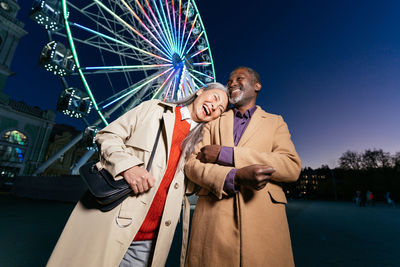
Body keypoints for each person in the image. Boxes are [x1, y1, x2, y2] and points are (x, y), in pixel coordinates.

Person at [47, 82, 229, 267]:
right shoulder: (153, 110)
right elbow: (108, 135)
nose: (214, 106)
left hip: (150, 241)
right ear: (200, 91)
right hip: (113, 223)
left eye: (220, 109)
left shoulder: (202, 145)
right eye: (214, 97)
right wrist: (128, 167)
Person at [184, 67, 302, 267]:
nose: (231, 83)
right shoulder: (213, 121)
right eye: (229, 81)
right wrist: (233, 176)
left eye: (239, 78)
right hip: (214, 220)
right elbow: (191, 165)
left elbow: (291, 166)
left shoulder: (275, 122)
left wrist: (227, 154)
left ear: (257, 86)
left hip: (263, 223)